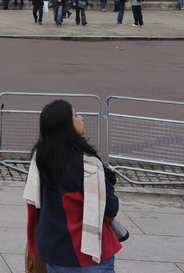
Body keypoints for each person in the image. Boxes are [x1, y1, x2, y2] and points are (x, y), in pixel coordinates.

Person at [24, 99, 123, 271]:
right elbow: (110, 208)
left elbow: (35, 206)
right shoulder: (88, 165)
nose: (82, 118)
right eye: (76, 115)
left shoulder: (39, 160)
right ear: (66, 125)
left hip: (52, 252)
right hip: (86, 254)